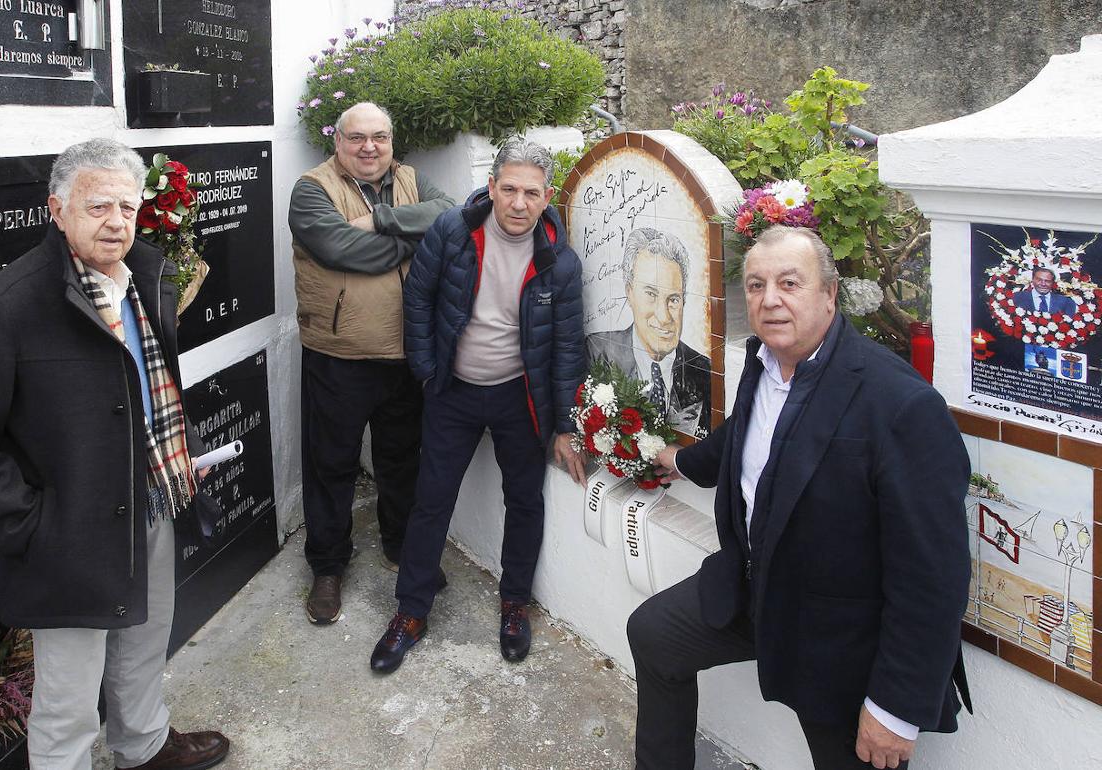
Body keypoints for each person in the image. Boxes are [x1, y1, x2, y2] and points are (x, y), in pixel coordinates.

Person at [0, 138, 229, 770]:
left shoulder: (148, 276)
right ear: (57, 210)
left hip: (156, 497)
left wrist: (179, 450)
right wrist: (34, 524)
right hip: (70, 533)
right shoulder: (10, 307)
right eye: (97, 206)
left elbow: (151, 383)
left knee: (143, 645)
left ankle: (143, 745)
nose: (116, 222)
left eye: (127, 206)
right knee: (69, 697)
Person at [627, 226, 971, 770]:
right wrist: (680, 460)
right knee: (653, 634)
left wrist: (896, 708)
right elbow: (747, 434)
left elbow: (933, 574)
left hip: (836, 633)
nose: (771, 299)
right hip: (752, 590)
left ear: (829, 294)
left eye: (790, 283)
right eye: (757, 285)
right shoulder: (764, 363)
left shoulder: (899, 405)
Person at [369, 137, 587, 674]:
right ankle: (410, 612)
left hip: (519, 397)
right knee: (431, 500)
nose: (518, 203)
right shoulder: (453, 231)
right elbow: (417, 296)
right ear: (491, 187)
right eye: (508, 189)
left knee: (526, 500)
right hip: (454, 391)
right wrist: (426, 371)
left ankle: (515, 604)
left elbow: (566, 347)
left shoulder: (559, 261)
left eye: (530, 193)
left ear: (547, 196)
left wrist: (563, 425)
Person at [288, 102, 453, 624]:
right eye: (357, 137)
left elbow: (451, 212)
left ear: (391, 140)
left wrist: (382, 221)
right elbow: (344, 252)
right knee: (330, 465)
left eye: (379, 137)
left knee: (402, 460)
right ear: (337, 140)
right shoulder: (311, 189)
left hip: (404, 354)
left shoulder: (409, 179)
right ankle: (328, 565)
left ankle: (401, 546)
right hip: (339, 355)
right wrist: (412, 245)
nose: (369, 148)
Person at [587, 227, 712, 437]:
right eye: (651, 294)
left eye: (673, 299)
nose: (664, 317)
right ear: (629, 293)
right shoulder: (597, 350)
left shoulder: (704, 370)